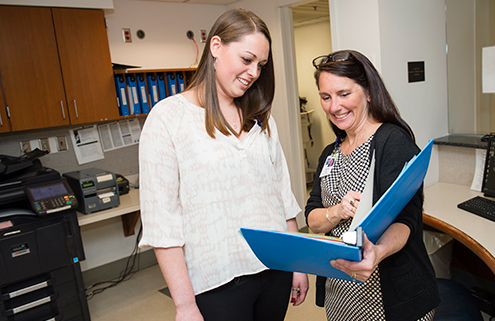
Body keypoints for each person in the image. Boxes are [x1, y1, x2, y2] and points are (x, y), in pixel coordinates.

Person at [138, 8, 308, 321]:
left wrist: (295, 262)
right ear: (216, 47)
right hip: (217, 283)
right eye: (247, 59)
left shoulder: (260, 121)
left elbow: (282, 199)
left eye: (261, 64)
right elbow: (163, 224)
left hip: (275, 272)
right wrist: (184, 305)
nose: (254, 72)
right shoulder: (168, 119)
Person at [305, 50, 440, 321]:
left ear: (368, 92)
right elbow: (313, 220)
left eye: (344, 94)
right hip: (340, 291)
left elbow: (407, 219)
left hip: (386, 294)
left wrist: (377, 252)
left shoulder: (392, 142)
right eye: (326, 97)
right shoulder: (329, 154)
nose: (334, 107)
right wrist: (339, 211)